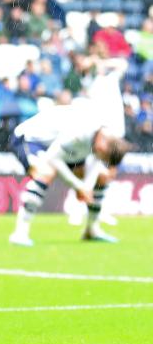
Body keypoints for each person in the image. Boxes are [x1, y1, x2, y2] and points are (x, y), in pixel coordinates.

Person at [8, 101, 132, 246]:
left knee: (103, 176)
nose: (100, 157)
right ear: (103, 145)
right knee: (45, 171)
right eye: (103, 155)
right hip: (30, 139)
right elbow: (53, 158)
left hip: (59, 146)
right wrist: (79, 186)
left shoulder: (104, 137)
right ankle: (20, 233)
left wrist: (86, 187)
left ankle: (92, 230)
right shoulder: (80, 132)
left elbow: (96, 161)